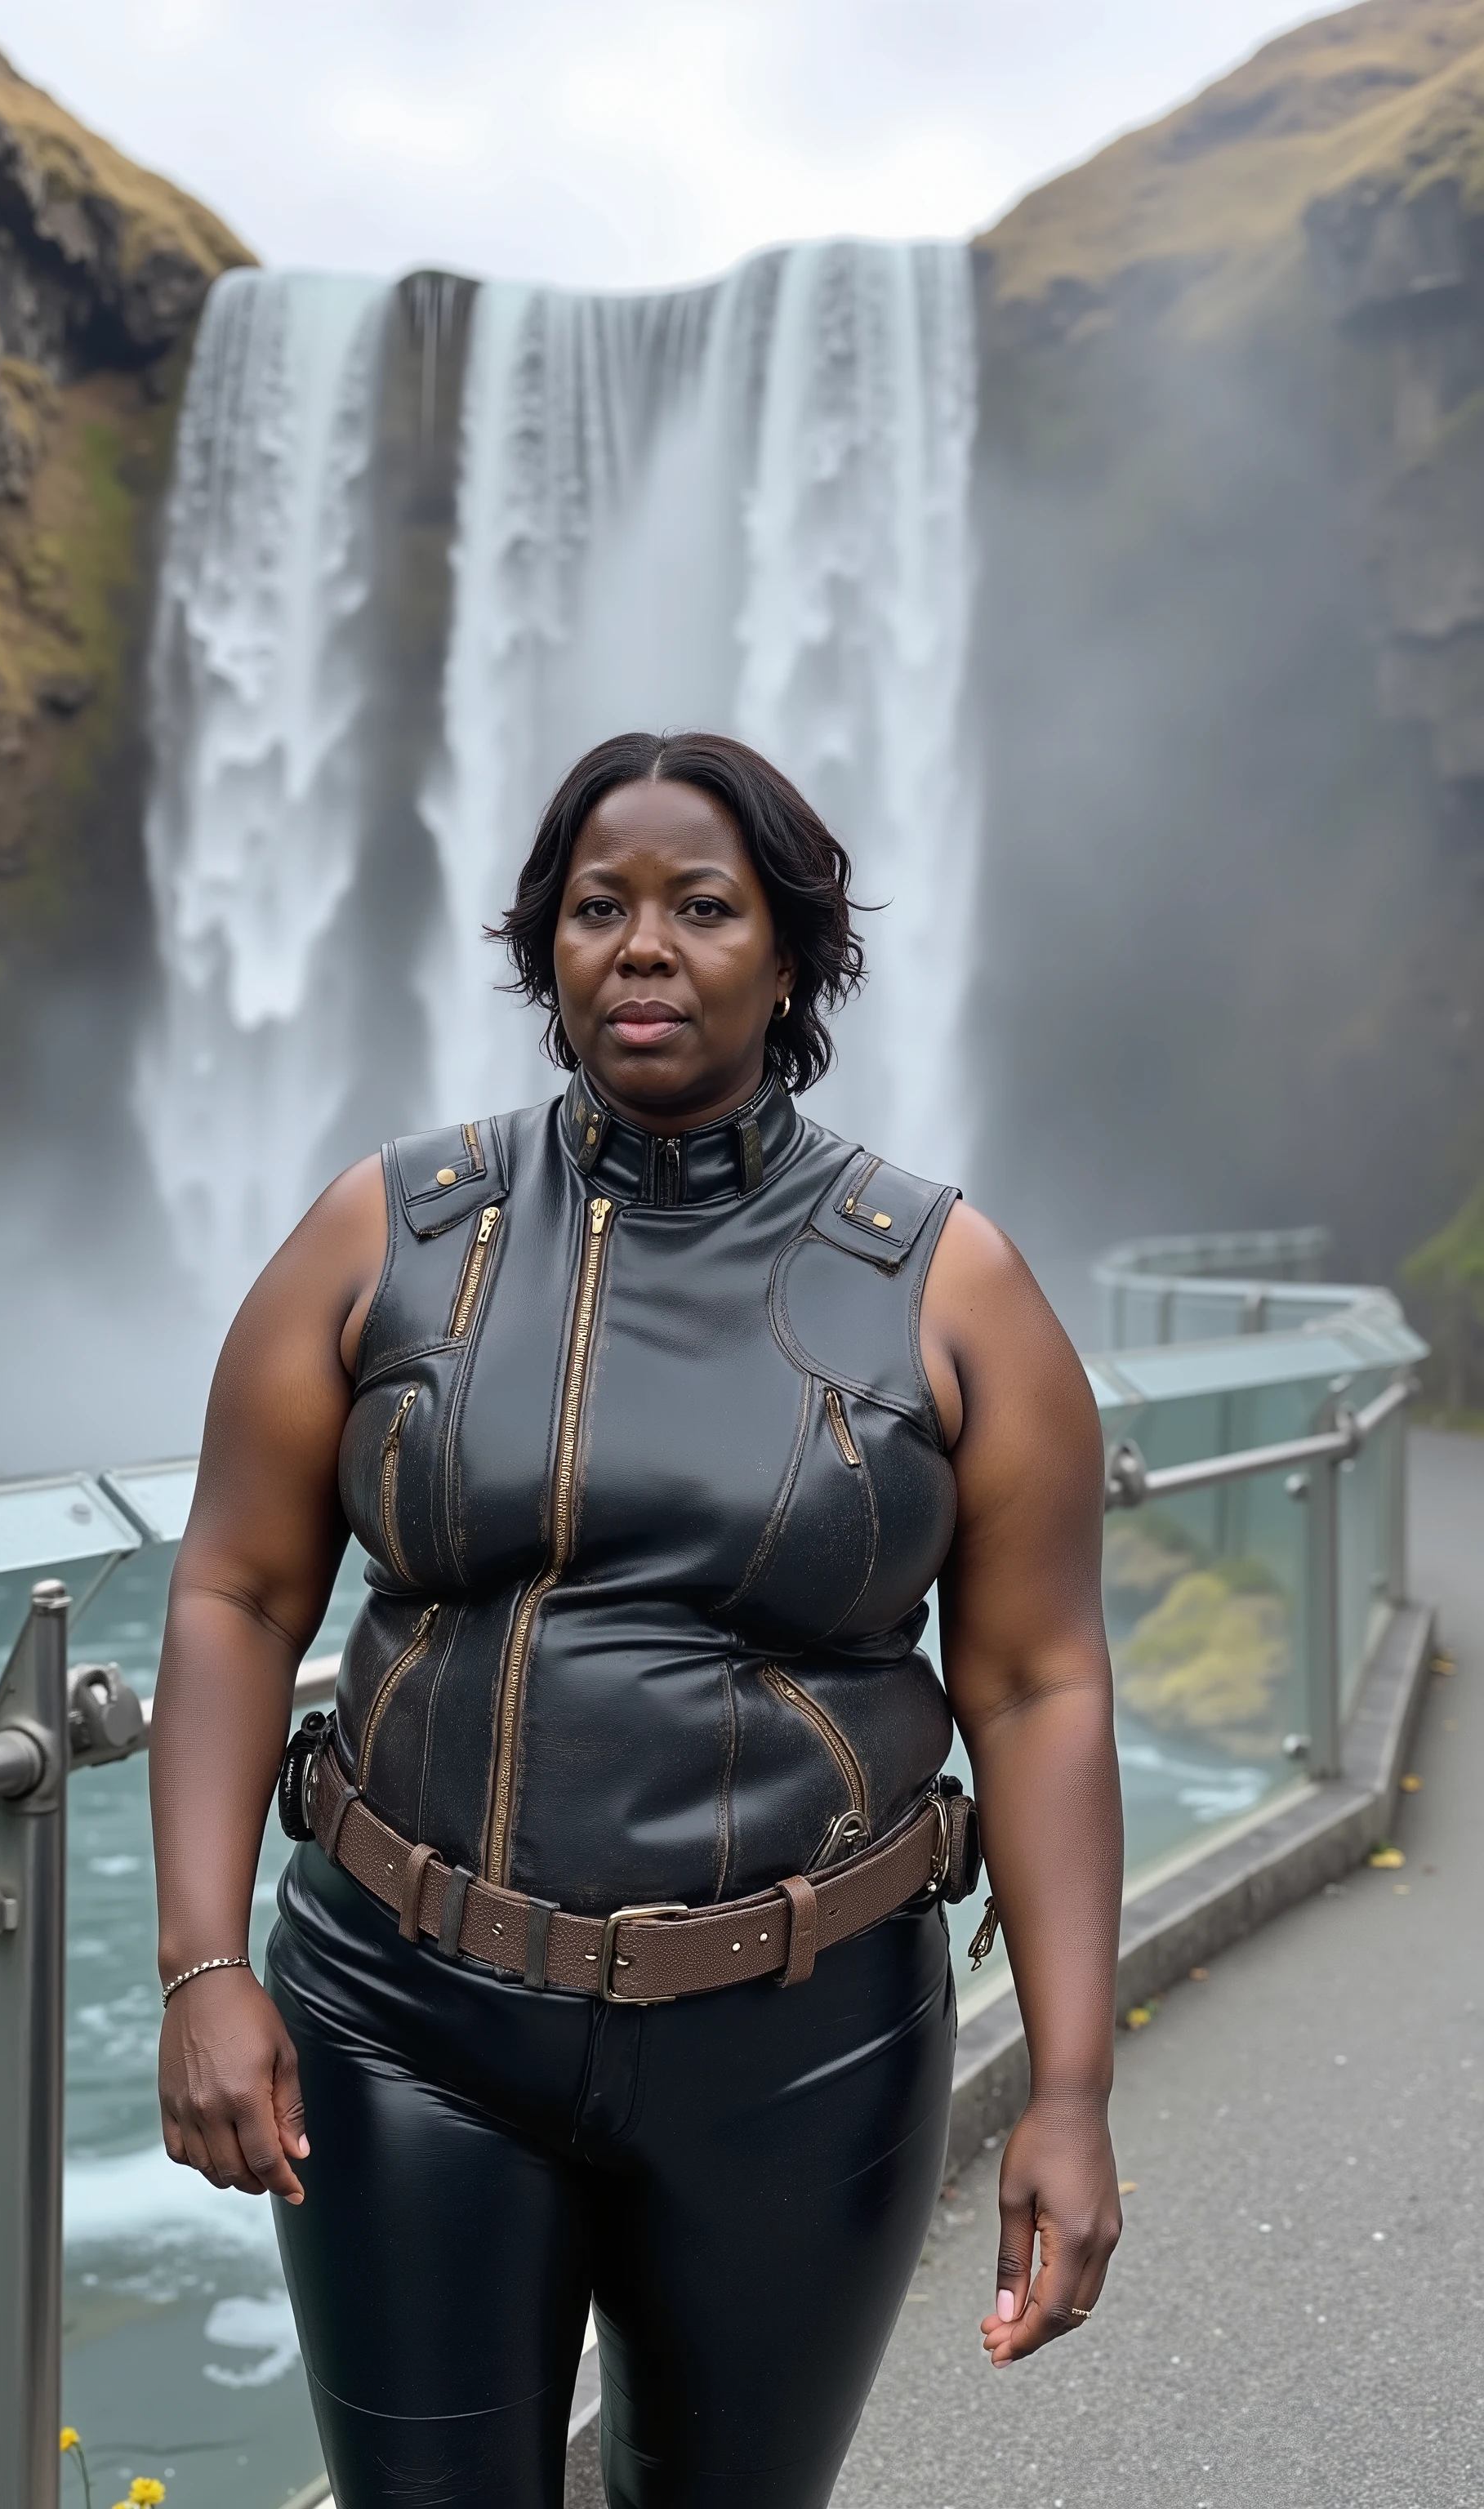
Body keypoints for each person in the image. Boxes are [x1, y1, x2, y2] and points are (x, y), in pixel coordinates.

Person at [149, 731, 1124, 2509]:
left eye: (702, 907)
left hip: (802, 2041)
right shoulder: (392, 1231)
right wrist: (204, 1967)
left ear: (793, 951)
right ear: (546, 949)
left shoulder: (945, 1279)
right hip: (404, 2021)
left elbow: (1039, 1681)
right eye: (598, 908)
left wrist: (1069, 2087)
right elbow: (233, 1586)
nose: (644, 947)